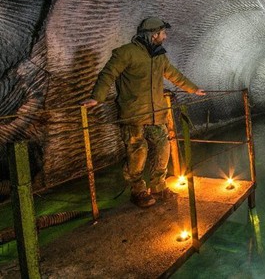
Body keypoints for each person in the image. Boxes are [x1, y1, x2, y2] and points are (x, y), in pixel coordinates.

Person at [81, 17, 206, 208]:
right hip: (134, 115)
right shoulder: (126, 53)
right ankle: (138, 190)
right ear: (154, 35)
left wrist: (193, 89)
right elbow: (108, 74)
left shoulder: (159, 56)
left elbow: (174, 75)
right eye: (163, 33)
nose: (165, 36)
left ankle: (158, 186)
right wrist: (97, 97)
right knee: (138, 153)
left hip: (157, 114)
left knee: (163, 147)